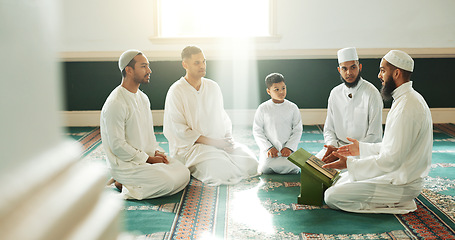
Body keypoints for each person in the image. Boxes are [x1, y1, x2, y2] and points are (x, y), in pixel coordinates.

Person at [322, 50, 433, 214]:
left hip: (401, 183)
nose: (379, 75)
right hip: (396, 174)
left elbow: (391, 160)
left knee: (332, 196)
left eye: (382, 70)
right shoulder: (406, 99)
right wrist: (361, 148)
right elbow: (393, 147)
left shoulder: (407, 107)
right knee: (337, 181)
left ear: (396, 73)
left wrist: (350, 164)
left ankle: (395, 203)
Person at [100, 49, 190, 200]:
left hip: (146, 158)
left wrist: (155, 152)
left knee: (184, 172)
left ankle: (136, 182)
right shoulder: (116, 103)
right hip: (126, 164)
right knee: (168, 181)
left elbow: (148, 134)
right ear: (128, 70)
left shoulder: (143, 98)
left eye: (148, 66)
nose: (149, 70)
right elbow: (117, 145)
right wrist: (148, 159)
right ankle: (122, 181)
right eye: (143, 66)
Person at [163, 46, 259, 186]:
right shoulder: (176, 91)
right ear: (185, 65)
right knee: (222, 172)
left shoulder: (213, 86)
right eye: (197, 63)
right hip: (192, 148)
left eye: (204, 61)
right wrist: (214, 143)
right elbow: (179, 130)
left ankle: (223, 156)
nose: (202, 66)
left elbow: (223, 118)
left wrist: (227, 140)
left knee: (251, 162)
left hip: (219, 142)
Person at [318, 47, 383, 163]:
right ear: (339, 70)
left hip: (362, 151)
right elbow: (329, 129)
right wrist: (332, 146)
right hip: (337, 148)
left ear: (360, 67)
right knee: (315, 165)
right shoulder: (335, 93)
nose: (349, 73)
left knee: (351, 175)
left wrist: (352, 151)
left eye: (353, 67)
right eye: (344, 69)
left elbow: (375, 135)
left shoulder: (372, 93)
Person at [253, 73, 302, 174]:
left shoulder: (292, 107)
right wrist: (269, 148)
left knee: (294, 168)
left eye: (283, 88)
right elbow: (257, 131)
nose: (281, 92)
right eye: (276, 89)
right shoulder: (263, 108)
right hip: (270, 153)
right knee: (264, 169)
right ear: (268, 91)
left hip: (287, 152)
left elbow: (297, 130)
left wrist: (289, 147)